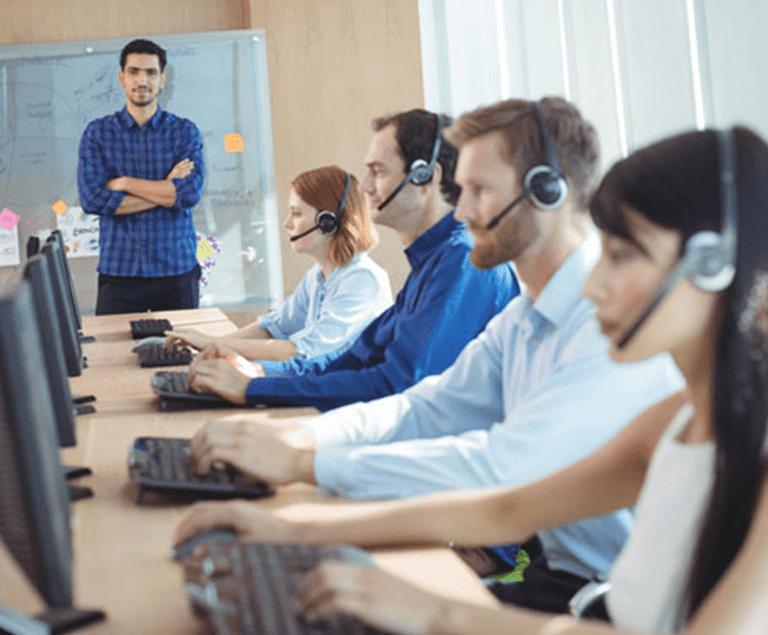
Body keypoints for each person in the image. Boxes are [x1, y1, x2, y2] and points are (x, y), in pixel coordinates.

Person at [176, 125, 768, 635]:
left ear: (712, 265)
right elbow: (505, 508)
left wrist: (442, 615)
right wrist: (293, 527)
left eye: (623, 255)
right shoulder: (676, 422)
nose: (592, 286)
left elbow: (500, 477)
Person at [184, 108, 519, 409]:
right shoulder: (431, 261)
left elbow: (398, 384)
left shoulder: (464, 260)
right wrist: (258, 374)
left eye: (378, 171)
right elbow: (353, 360)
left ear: (426, 177)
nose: (366, 186)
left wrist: (254, 388)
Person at [167, 165, 392, 367]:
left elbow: (304, 352)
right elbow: (274, 328)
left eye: (296, 214)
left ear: (327, 223)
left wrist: (212, 344)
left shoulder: (363, 279)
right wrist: (209, 346)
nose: (286, 223)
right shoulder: (318, 276)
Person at [77, 38, 205, 315]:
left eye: (151, 72)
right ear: (122, 78)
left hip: (177, 272)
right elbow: (92, 200)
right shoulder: (97, 134)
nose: (142, 80)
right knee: (111, 357)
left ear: (163, 79)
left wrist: (123, 184)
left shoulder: (184, 132)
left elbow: (189, 194)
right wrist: (166, 191)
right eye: (134, 72)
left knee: (181, 356)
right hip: (119, 273)